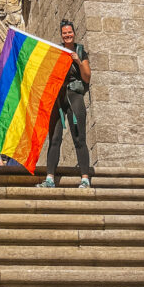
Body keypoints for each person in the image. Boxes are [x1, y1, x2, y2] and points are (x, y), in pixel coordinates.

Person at [37, 19, 92, 189]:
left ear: (74, 33)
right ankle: (50, 178)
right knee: (54, 139)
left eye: (70, 32)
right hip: (58, 99)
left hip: (74, 97)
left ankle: (85, 178)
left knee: (79, 138)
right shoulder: (57, 52)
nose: (67, 35)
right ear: (61, 35)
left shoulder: (80, 51)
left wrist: (77, 60)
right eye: (64, 33)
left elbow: (87, 77)